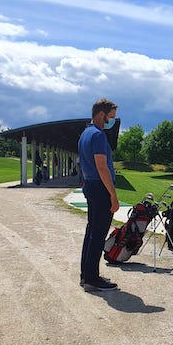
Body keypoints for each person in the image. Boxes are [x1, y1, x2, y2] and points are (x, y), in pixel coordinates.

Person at [78, 98, 120, 292]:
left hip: (90, 185)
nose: (111, 121)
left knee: (91, 232)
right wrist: (113, 194)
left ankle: (86, 275)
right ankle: (92, 279)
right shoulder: (98, 135)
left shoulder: (85, 134)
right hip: (100, 188)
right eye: (110, 117)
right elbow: (102, 167)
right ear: (102, 115)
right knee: (98, 233)